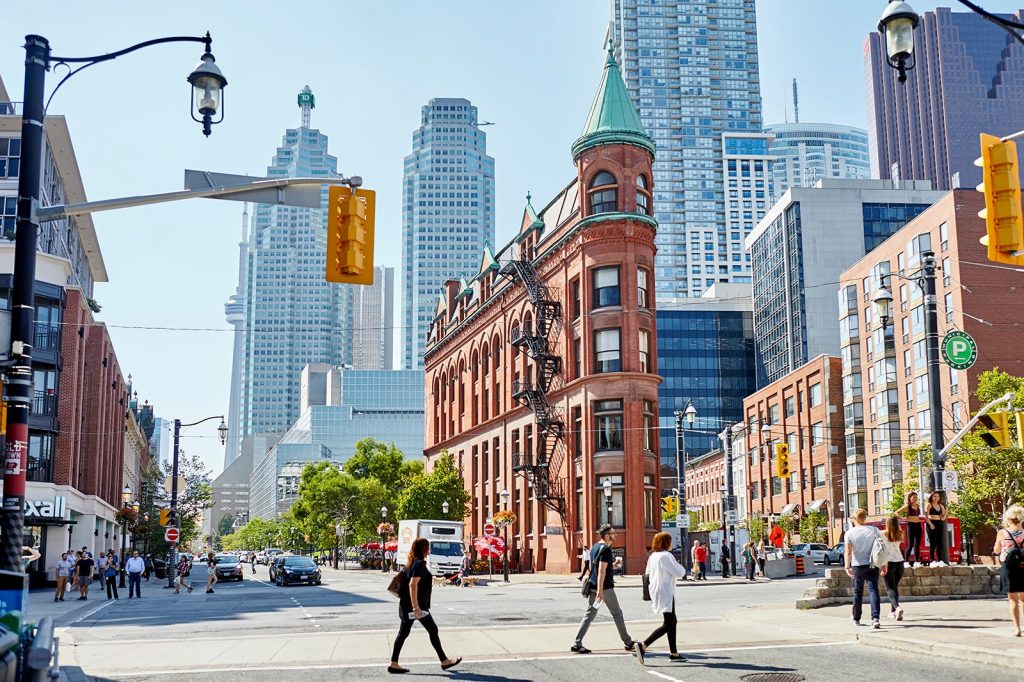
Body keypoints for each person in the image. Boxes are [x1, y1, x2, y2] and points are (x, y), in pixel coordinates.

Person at [387, 537, 462, 674]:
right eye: (428, 547)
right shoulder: (419, 564)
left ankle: (394, 663)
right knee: (432, 630)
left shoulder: (411, 563)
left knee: (403, 633)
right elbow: (412, 585)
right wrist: (416, 608)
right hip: (417, 607)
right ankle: (444, 661)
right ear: (424, 549)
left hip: (407, 605)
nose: (429, 549)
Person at [571, 524, 642, 661]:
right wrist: (600, 591)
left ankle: (577, 643)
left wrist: (613, 566)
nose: (615, 535)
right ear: (606, 535)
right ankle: (628, 643)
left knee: (589, 615)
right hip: (604, 589)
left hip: (593, 585)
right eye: (613, 533)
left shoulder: (595, 547)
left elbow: (598, 568)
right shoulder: (606, 550)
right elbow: (601, 571)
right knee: (617, 614)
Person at [638, 532, 687, 664]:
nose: (672, 544)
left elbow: (647, 574)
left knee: (672, 621)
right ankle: (643, 645)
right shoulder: (666, 556)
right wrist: (681, 566)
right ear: (666, 543)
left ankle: (674, 653)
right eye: (670, 541)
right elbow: (680, 573)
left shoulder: (653, 556)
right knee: (668, 623)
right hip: (666, 591)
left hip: (656, 590)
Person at [844, 508, 888, 629]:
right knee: (873, 590)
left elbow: (848, 551)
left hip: (857, 565)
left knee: (858, 592)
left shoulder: (850, 533)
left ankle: (856, 617)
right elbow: (881, 548)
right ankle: (875, 618)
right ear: (865, 518)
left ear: (854, 519)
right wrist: (884, 564)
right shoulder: (874, 530)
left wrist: (847, 566)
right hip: (873, 564)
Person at [993, 504, 1024, 637]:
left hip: (1009, 567)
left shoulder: (1002, 533)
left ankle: (1017, 628)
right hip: (1023, 566)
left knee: (1013, 599)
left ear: (1008, 518)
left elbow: (997, 550)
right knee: (1023, 599)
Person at [880, 516, 906, 621]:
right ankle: (893, 612)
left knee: (890, 588)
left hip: (888, 563)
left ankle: (897, 607)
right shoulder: (900, 534)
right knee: (894, 588)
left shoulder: (882, 534)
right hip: (900, 563)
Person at [896, 492, 924, 566]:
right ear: (910, 498)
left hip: (918, 525)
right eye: (913, 497)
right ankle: (906, 561)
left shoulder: (918, 506)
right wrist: (903, 518)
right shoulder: (907, 506)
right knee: (910, 544)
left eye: (916, 497)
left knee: (917, 544)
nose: (915, 499)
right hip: (911, 525)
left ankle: (917, 561)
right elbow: (896, 512)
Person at [925, 491, 949, 566]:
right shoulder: (929, 505)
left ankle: (940, 559)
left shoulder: (941, 506)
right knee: (933, 543)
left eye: (937, 496)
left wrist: (945, 513)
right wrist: (930, 524)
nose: (936, 498)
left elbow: (942, 518)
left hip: (939, 523)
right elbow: (926, 517)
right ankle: (932, 559)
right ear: (931, 497)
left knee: (940, 543)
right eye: (934, 496)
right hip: (931, 523)